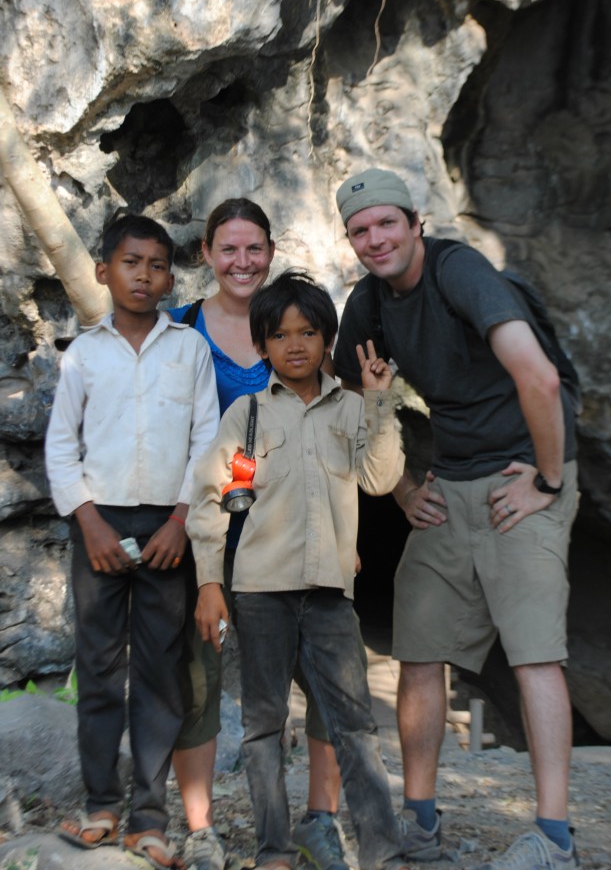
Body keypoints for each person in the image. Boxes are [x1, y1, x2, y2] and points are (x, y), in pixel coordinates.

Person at [333, 169, 581, 870]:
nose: (374, 239)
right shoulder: (370, 303)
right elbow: (350, 398)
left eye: (386, 223)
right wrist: (404, 487)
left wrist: (548, 478)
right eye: (359, 230)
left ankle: (552, 838)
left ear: (415, 224)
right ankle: (419, 823)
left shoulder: (460, 272)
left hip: (519, 475)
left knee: (534, 652)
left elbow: (538, 377)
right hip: (451, 480)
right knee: (418, 647)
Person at [186, 269, 408, 870]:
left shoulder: (351, 411)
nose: (294, 345)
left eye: (308, 332)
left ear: (326, 339)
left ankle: (384, 850)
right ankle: (274, 849)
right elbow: (209, 501)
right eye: (280, 335)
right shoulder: (248, 419)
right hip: (261, 594)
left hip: (332, 595)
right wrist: (211, 582)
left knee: (355, 726)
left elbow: (380, 479)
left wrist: (381, 399)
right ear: (261, 347)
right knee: (264, 728)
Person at [168, 200, 356, 870]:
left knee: (328, 683)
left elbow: (337, 434)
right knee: (202, 679)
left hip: (295, 535)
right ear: (206, 255)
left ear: (270, 252)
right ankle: (201, 829)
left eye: (254, 249)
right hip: (212, 530)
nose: (241, 262)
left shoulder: (297, 324)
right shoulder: (181, 329)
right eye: (228, 249)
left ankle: (320, 819)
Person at [45, 214, 220, 870]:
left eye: (155, 264)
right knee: (97, 670)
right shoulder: (83, 355)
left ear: (171, 276)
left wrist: (180, 521)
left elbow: (207, 442)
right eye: (130, 262)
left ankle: (150, 816)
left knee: (160, 672)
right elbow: (62, 447)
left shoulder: (189, 350)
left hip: (168, 529)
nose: (143, 275)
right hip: (97, 523)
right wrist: (89, 524)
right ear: (102, 272)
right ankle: (101, 806)